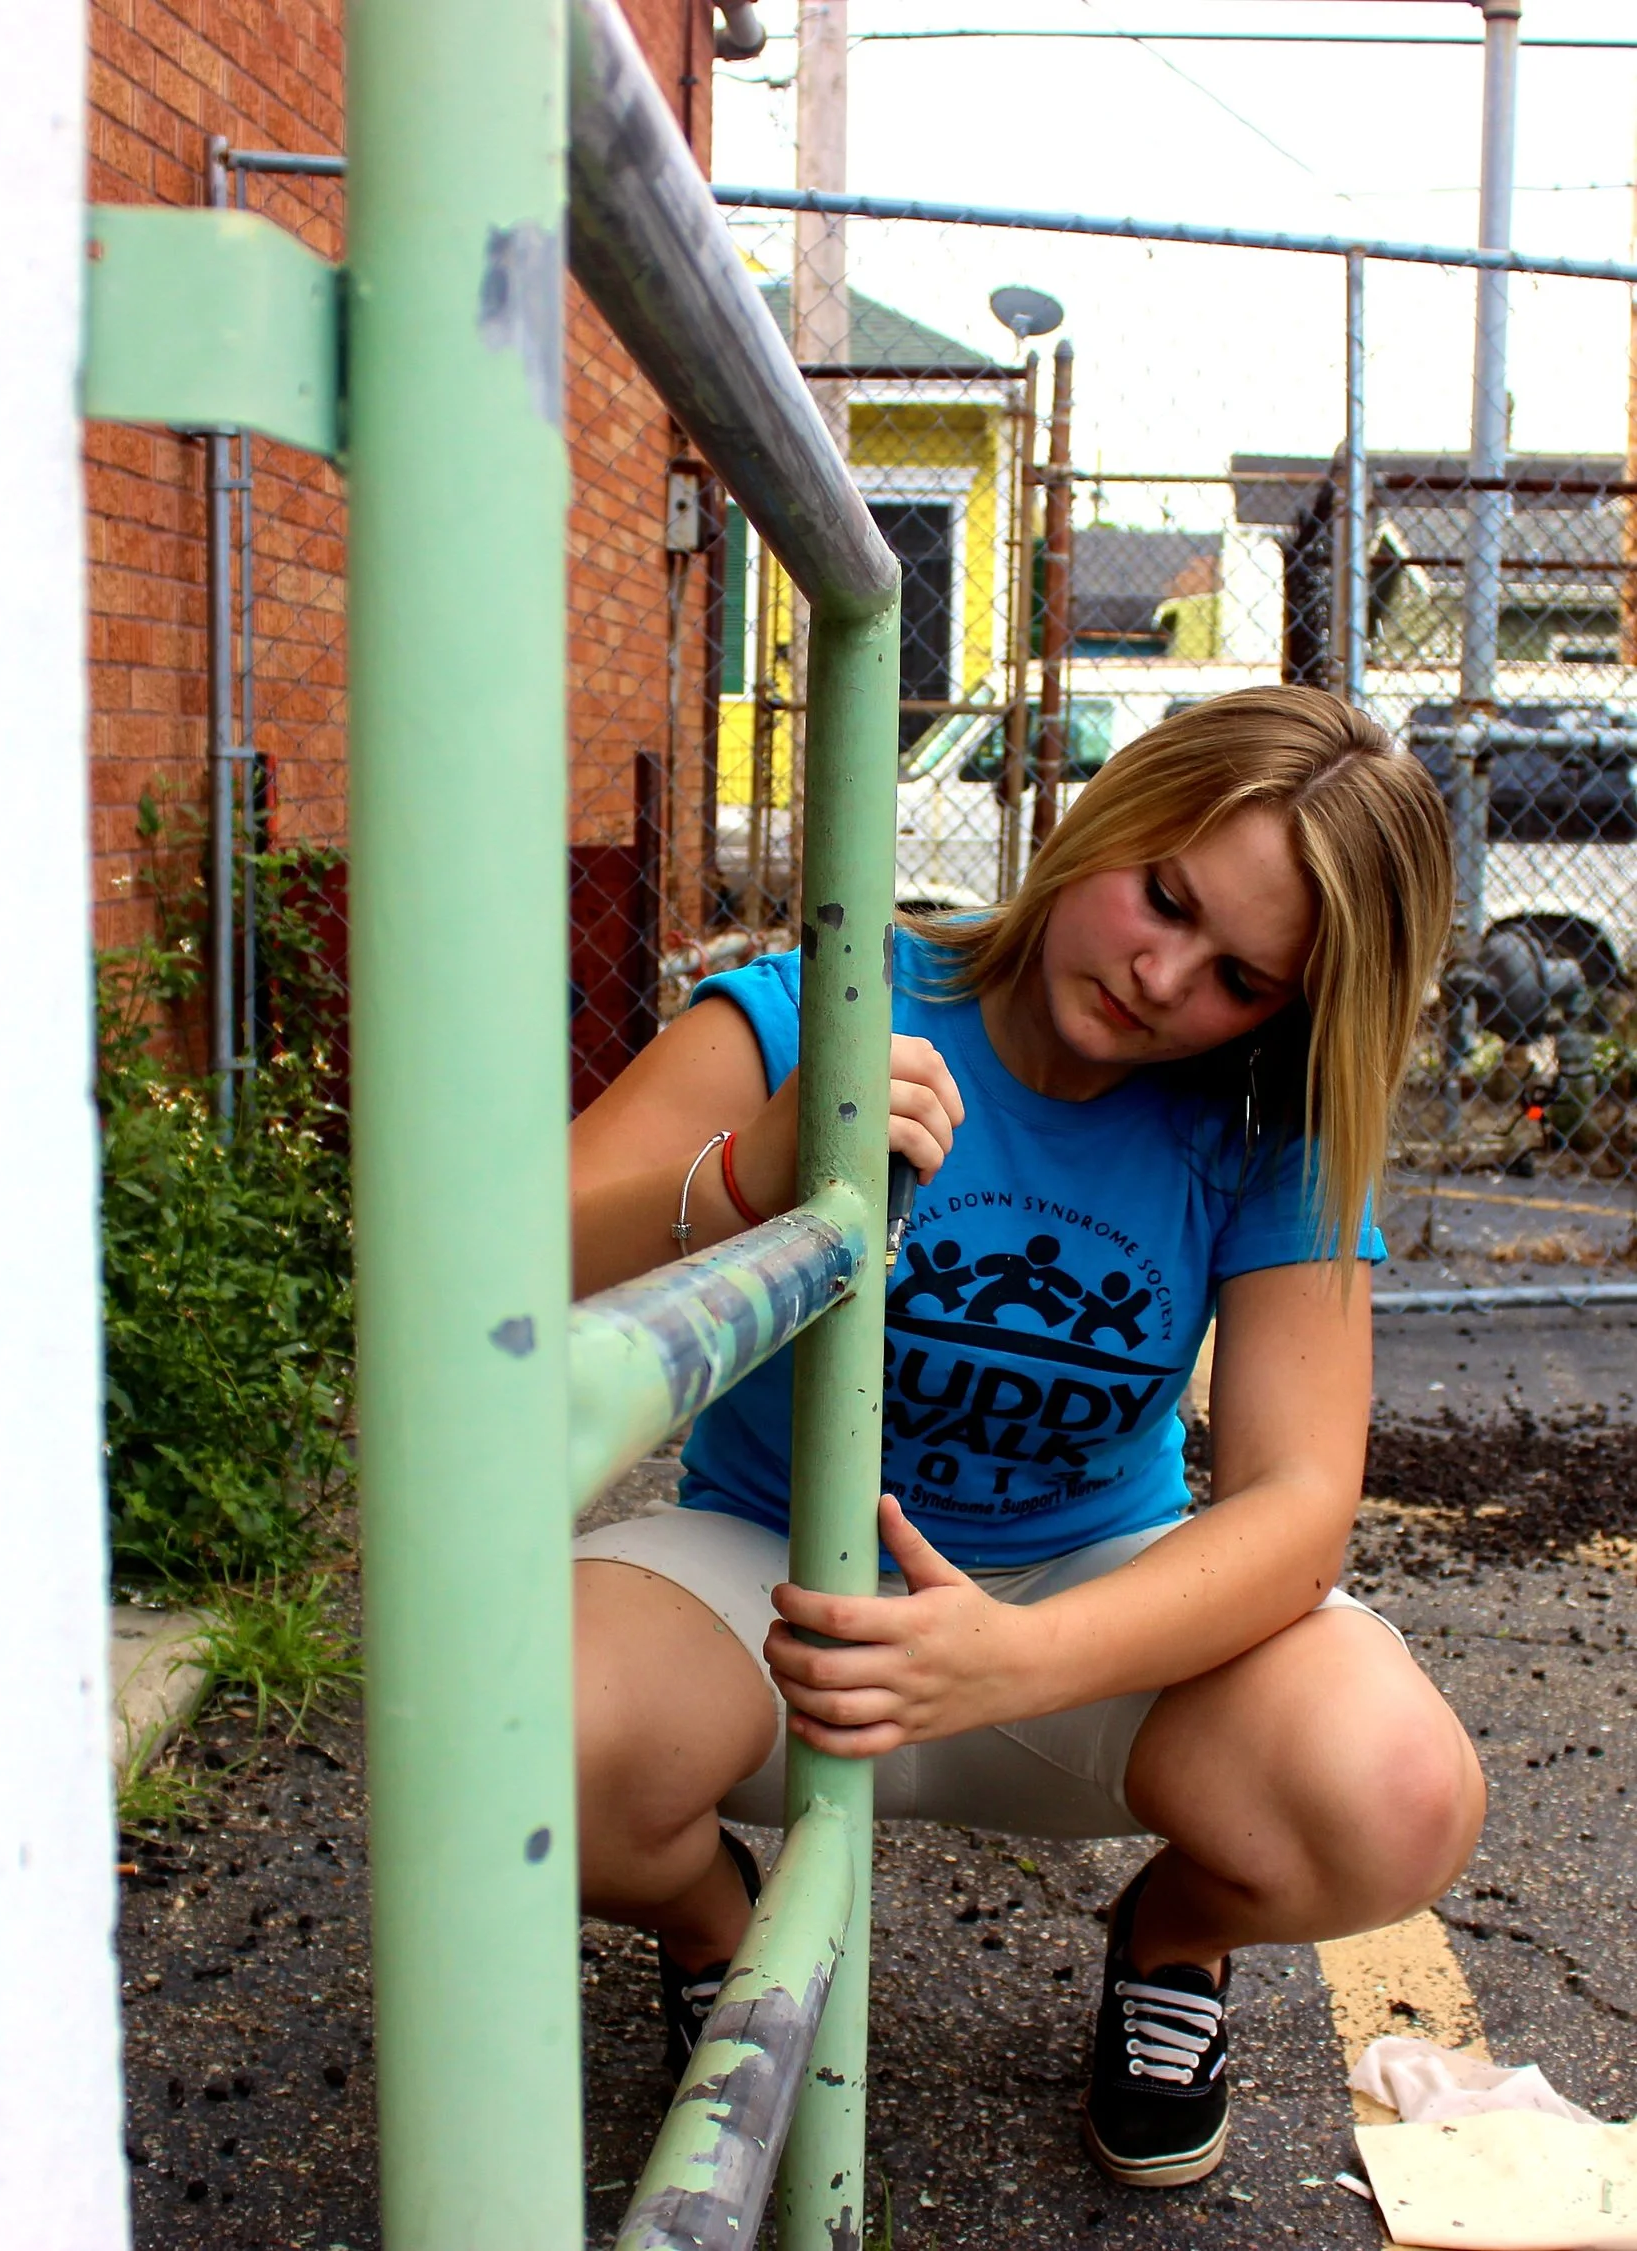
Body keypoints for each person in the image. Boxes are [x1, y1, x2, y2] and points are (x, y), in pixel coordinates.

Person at [568, 686, 1483, 2190]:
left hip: (1080, 1618)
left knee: (1398, 1786)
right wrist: (759, 1171)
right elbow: (506, 1256)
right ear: (1110, 811)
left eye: (1240, 975)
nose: (1160, 972)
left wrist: (1016, 1655)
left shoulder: (1262, 1132)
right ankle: (719, 1939)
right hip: (775, 1585)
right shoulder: (830, 1005)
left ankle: (1172, 1946)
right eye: (1167, 894)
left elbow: (1301, 1499)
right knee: (522, 1722)